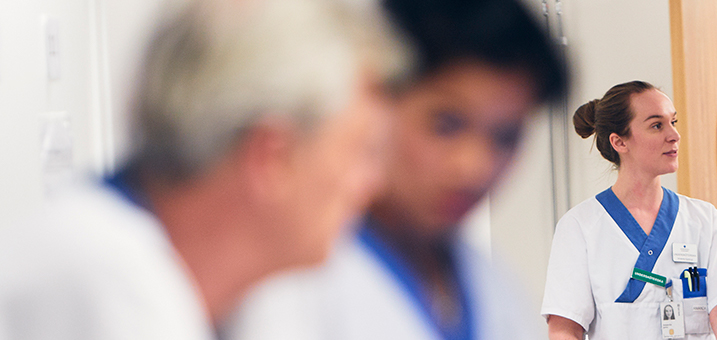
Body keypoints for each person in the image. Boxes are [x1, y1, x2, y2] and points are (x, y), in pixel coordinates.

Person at [0, 0, 402, 338]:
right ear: (271, 158)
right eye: (359, 152)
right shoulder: (97, 285)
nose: (372, 184)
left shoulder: (243, 299)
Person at [222, 0, 569, 339]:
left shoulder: (496, 290)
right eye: (445, 125)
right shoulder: (292, 279)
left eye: (505, 137)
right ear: (375, 99)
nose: (474, 168)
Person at [542, 80, 717, 340]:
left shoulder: (704, 221)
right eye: (656, 125)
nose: (674, 135)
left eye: (673, 122)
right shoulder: (580, 226)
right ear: (619, 142)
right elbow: (564, 329)